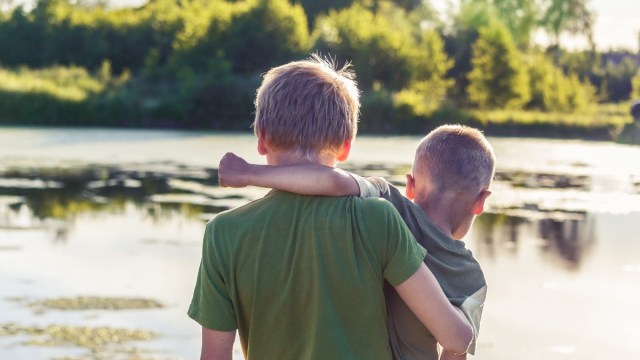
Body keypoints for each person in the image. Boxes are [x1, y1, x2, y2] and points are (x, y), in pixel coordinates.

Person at [188, 55, 473, 360]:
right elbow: (456, 339)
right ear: (347, 145)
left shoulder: (224, 233)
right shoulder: (378, 219)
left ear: (261, 139)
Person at [218, 124, 495, 360]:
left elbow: (332, 181)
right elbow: (454, 352)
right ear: (481, 201)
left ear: (410, 184)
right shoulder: (472, 279)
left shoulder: (390, 203)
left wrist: (250, 174)